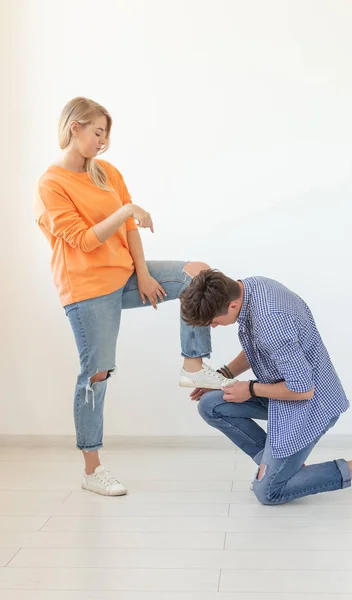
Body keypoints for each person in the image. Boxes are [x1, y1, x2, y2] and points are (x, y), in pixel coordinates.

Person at [34, 97, 232, 496]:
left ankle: (193, 364)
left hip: (124, 275)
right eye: (97, 132)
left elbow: (129, 230)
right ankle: (93, 468)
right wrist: (125, 210)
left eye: (106, 133)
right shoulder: (50, 184)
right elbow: (85, 240)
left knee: (198, 275)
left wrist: (142, 272)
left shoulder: (107, 172)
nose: (103, 141)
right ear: (75, 127)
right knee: (97, 373)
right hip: (86, 289)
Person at [180, 269, 352, 504]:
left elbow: (302, 389)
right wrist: (221, 376)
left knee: (269, 492)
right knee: (211, 405)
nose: (213, 326)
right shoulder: (252, 288)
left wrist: (250, 389)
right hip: (282, 393)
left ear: (232, 306)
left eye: (214, 321)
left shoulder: (270, 322)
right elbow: (260, 346)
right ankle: (275, 466)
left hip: (310, 402)